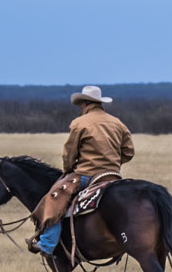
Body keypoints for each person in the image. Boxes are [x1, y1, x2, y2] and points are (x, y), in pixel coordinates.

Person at [26, 86, 134, 255]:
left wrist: (68, 169)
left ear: (85, 103)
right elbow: (128, 152)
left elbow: (69, 154)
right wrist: (112, 162)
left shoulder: (79, 123)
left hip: (86, 176)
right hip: (113, 176)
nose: (80, 108)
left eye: (80, 105)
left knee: (54, 198)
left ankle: (46, 244)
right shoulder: (117, 122)